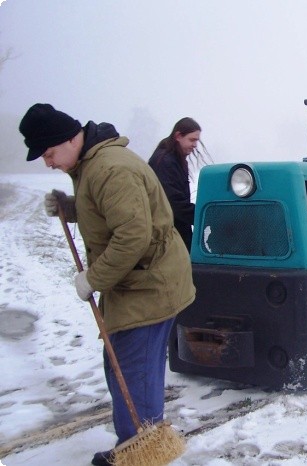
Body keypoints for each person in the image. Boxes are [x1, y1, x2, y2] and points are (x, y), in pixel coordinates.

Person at [19, 103, 196, 466]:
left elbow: (132, 236)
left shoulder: (110, 168)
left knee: (134, 374)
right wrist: (70, 208)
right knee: (120, 367)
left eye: (49, 153)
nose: (48, 163)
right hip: (133, 284)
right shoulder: (91, 165)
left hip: (149, 285)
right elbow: (108, 210)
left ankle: (144, 453)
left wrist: (92, 279)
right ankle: (133, 447)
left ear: (70, 139)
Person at [148, 117, 209, 251]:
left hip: (177, 231)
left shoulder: (177, 160)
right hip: (166, 234)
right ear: (178, 136)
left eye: (197, 141)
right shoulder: (164, 162)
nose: (194, 145)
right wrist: (204, 216)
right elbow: (172, 202)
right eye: (192, 140)